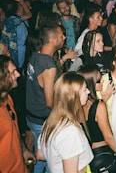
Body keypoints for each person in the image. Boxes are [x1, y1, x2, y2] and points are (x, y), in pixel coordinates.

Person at [25, 21, 66, 173]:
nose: (64, 38)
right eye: (62, 36)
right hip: (42, 121)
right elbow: (50, 102)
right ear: (53, 40)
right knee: (50, 160)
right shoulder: (49, 66)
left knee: (40, 155)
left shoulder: (36, 55)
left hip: (32, 116)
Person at [37, 72, 93, 173]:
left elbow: (40, 154)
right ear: (73, 96)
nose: (88, 92)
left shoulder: (50, 121)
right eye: (85, 89)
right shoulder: (69, 132)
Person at [78, 64, 116, 173]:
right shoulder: (98, 106)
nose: (102, 82)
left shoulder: (77, 105)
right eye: (98, 81)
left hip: (88, 156)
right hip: (103, 154)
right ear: (88, 84)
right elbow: (108, 137)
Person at [0, 55, 35, 173]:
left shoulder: (7, 98)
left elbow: (15, 130)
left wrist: (24, 150)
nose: (18, 75)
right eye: (13, 72)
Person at [1, 0, 32, 68]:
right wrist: (22, 3)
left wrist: (22, 2)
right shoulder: (10, 22)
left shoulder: (14, 20)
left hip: (17, 54)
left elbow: (29, 15)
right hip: (11, 56)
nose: (2, 15)